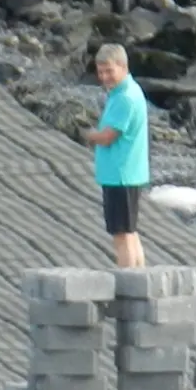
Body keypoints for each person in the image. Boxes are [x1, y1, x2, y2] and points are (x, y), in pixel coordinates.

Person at [84, 43, 150, 268]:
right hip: (127, 172)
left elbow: (109, 136)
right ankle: (140, 280)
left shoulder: (125, 98)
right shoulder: (126, 91)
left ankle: (128, 285)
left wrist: (89, 134)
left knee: (121, 235)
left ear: (123, 66)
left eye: (109, 71)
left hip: (120, 174)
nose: (104, 77)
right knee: (130, 232)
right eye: (100, 71)